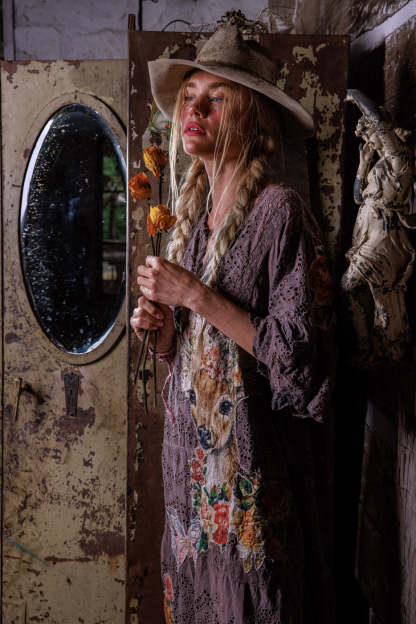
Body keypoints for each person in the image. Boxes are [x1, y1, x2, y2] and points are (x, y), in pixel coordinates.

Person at [130, 20, 334, 624]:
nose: (194, 110)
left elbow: (299, 361)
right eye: (190, 97)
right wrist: (166, 337)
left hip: (249, 491)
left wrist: (194, 294)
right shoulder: (193, 224)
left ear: (254, 121)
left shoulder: (281, 213)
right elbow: (203, 358)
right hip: (192, 489)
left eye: (216, 99)